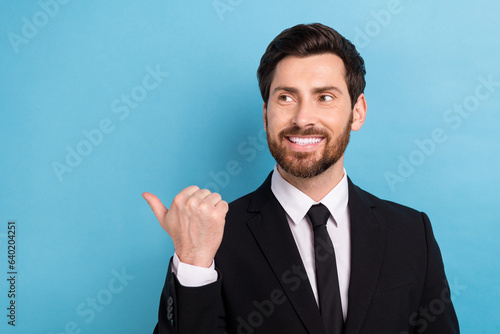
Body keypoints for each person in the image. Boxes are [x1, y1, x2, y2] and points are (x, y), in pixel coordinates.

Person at [143, 23, 460, 334]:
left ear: (357, 112)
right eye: (286, 97)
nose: (303, 118)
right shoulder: (216, 238)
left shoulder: (411, 233)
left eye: (324, 97)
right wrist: (195, 263)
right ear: (266, 115)